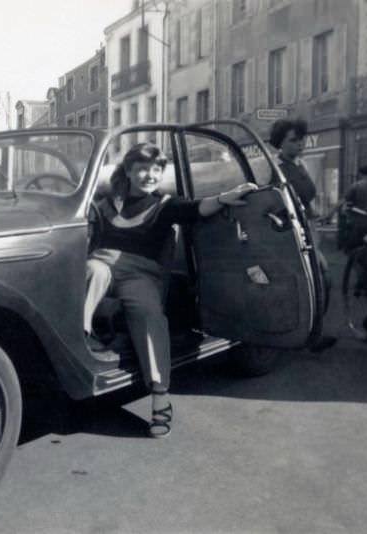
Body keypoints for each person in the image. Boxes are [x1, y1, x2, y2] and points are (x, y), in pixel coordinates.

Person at [83, 143, 257, 438]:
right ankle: (84, 336)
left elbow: (198, 208)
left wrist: (227, 197)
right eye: (142, 169)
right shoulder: (104, 203)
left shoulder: (165, 204)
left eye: (155, 169)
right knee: (92, 270)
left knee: (149, 315)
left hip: (140, 274)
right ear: (128, 171)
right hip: (102, 265)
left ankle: (160, 394)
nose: (149, 175)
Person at [269, 118, 337, 352]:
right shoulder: (275, 168)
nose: (300, 144)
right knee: (311, 280)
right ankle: (308, 334)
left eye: (301, 139)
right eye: (293, 140)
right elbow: (273, 201)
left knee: (319, 279)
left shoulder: (301, 165)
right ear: (280, 143)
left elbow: (307, 197)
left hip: (309, 227)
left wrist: (317, 214)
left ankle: (310, 331)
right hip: (291, 232)